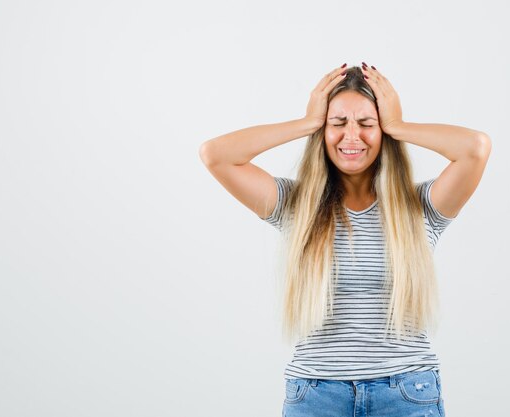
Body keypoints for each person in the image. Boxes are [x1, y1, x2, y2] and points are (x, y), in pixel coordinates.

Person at [199, 63, 491, 417]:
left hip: (405, 393)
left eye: (367, 124)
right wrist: (306, 122)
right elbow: (216, 155)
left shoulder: (421, 208)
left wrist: (398, 125)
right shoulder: (295, 205)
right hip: (316, 395)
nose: (352, 136)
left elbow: (475, 148)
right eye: (338, 124)